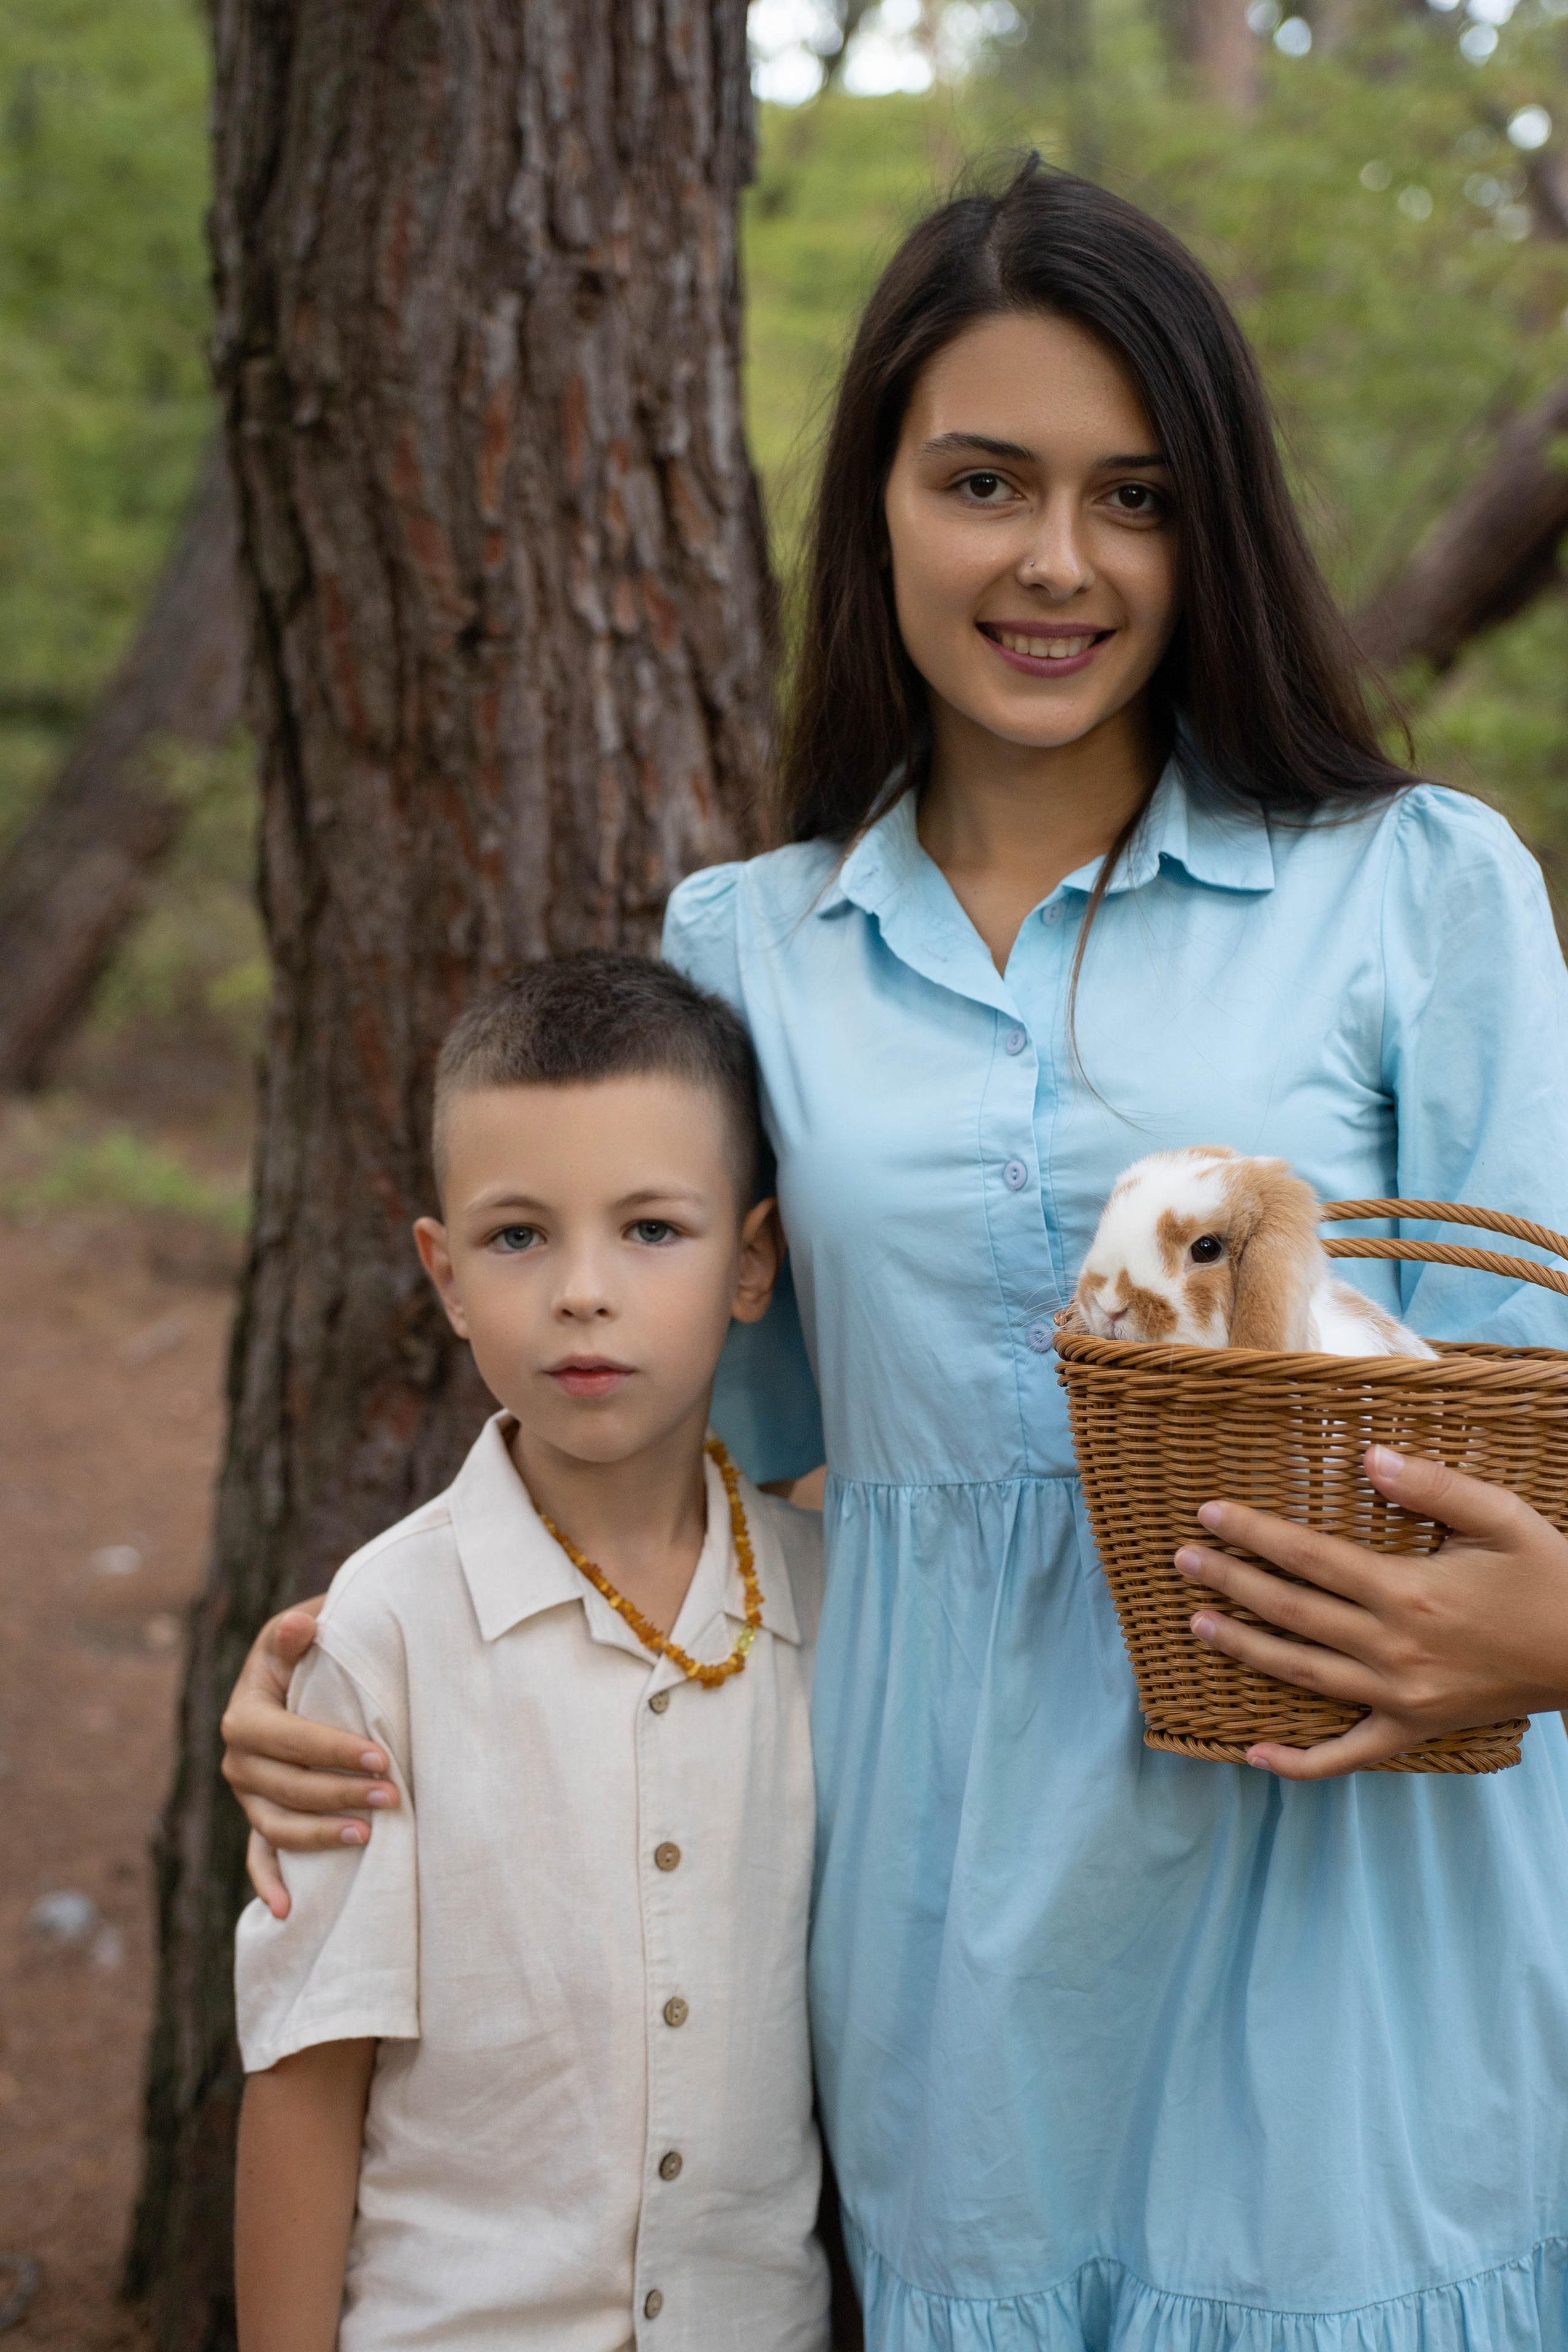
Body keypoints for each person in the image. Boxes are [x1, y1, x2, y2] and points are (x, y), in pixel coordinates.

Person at [225, 164, 1568, 2349]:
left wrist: (1552, 1637)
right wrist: (343, 1691)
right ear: (878, 503)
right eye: (985, 481)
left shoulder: (1417, 886)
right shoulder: (748, 949)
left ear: (1212, 526)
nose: (1057, 562)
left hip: (1355, 1872)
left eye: (1136, 497)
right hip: (950, 1912)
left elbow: (1541, 1424)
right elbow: (667, 1485)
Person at [232, 954, 831, 2351]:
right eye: (518, 1238)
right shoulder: (384, 1630)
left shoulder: (829, 1598)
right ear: (443, 1275)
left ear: (751, 1264)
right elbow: (309, 2077)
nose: (582, 1292)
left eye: (651, 1230)